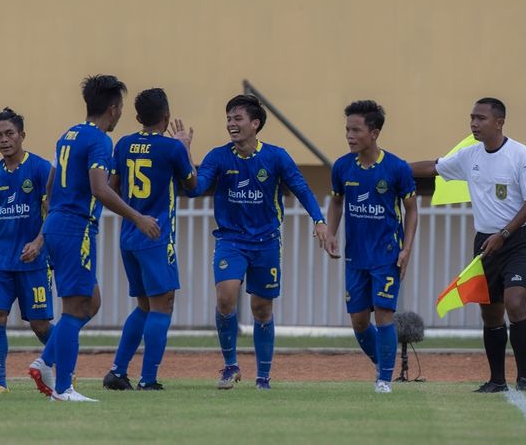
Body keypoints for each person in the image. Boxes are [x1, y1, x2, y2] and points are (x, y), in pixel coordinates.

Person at [188, 94, 328, 390]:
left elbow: (301, 188)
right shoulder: (218, 156)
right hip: (230, 240)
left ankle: (263, 376)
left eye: (237, 119)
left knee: (262, 309)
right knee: (226, 297)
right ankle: (229, 367)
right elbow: (196, 188)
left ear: (255, 123)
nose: (231, 124)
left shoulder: (276, 156)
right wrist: (185, 157)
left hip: (266, 242)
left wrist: (319, 220)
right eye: (228, 119)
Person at [33, 75, 160, 402]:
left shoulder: (69, 135)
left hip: (60, 224)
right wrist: (138, 217)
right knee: (75, 307)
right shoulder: (100, 141)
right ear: (114, 108)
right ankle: (63, 388)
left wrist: (50, 214)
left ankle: (44, 362)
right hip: (76, 227)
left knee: (92, 301)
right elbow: (100, 188)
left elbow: (51, 180)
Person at [410, 97, 526, 392]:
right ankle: (497, 380)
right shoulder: (470, 156)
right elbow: (434, 166)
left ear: (499, 122)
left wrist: (504, 234)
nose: (474, 124)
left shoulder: (521, 155)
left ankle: (524, 379)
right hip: (485, 240)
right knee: (490, 312)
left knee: (514, 303)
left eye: (480, 118)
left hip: (518, 240)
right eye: (472, 118)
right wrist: (393, 168)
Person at [102, 88, 197, 391]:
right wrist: (184, 146)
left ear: (139, 117)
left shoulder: (124, 144)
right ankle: (149, 378)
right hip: (156, 234)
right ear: (166, 116)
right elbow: (192, 185)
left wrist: (134, 215)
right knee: (162, 305)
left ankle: (117, 371)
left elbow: (111, 187)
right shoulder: (172, 149)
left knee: (143, 305)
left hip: (130, 234)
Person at [323, 100, 418, 394]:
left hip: (387, 255)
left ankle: (384, 380)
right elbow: (337, 202)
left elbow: (412, 210)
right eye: (347, 130)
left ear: (374, 133)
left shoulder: (397, 168)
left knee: (384, 314)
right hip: (356, 256)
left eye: (356, 130)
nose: (350, 136)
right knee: (359, 321)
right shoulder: (342, 167)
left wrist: (407, 248)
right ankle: (385, 362)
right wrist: (330, 232)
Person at [0, 108, 55, 394]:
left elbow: (52, 212)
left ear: (22, 135)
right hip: (1, 262)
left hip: (33, 261)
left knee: (39, 325)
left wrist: (38, 243)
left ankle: (66, 367)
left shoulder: (40, 169)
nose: (4, 140)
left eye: (10, 134)